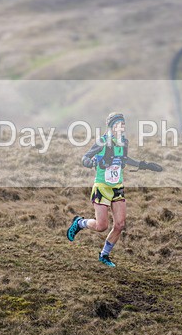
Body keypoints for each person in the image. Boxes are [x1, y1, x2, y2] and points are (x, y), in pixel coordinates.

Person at [66, 112, 163, 267]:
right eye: (118, 124)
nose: (122, 127)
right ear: (111, 126)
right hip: (102, 187)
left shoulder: (123, 142)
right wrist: (92, 163)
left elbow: (125, 159)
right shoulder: (103, 141)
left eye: (123, 124)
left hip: (117, 187)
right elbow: (85, 158)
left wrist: (145, 165)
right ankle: (80, 223)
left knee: (120, 225)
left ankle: (104, 255)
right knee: (101, 226)